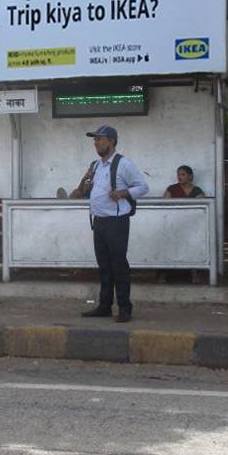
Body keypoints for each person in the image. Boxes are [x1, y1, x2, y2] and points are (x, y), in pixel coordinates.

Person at [72, 125, 148, 323]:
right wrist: (86, 178)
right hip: (99, 222)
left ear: (112, 141)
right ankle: (105, 306)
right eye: (95, 140)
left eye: (100, 139)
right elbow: (81, 191)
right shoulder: (95, 166)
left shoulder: (124, 164)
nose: (96, 142)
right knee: (104, 266)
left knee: (118, 265)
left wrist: (123, 193)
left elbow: (143, 187)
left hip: (116, 222)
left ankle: (124, 308)